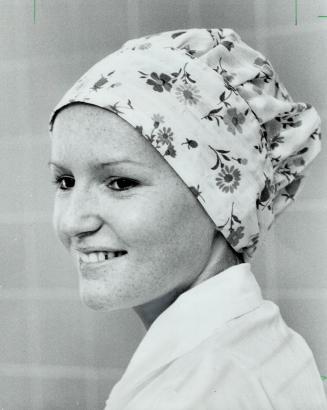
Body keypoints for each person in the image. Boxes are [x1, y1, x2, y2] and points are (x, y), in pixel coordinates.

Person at [48, 28, 327, 409]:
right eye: (65, 181)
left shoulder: (188, 394)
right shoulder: (267, 343)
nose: (72, 222)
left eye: (120, 182)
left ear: (222, 195)